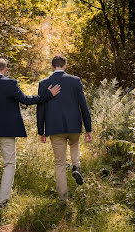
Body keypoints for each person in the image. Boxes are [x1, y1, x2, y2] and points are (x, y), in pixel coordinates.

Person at [0, 58, 61, 209]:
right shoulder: (11, 83)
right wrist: (48, 94)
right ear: (5, 69)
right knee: (9, 164)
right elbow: (26, 100)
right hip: (8, 131)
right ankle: (1, 201)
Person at [37, 55, 93, 202]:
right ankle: (76, 167)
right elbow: (83, 105)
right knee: (74, 145)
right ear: (65, 65)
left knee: (60, 163)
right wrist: (88, 129)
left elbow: (40, 109)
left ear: (52, 66)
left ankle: (63, 199)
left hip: (54, 128)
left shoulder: (44, 83)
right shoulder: (75, 81)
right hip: (74, 125)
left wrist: (41, 131)